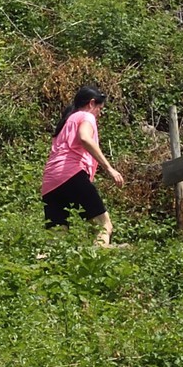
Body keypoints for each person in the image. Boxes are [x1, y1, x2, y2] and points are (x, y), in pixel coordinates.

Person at [42, 85, 124, 246]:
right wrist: (109, 168)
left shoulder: (66, 121)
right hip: (72, 175)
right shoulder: (86, 116)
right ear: (91, 103)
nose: (100, 113)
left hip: (50, 183)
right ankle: (97, 264)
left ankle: (45, 268)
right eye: (100, 108)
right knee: (104, 226)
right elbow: (85, 138)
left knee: (57, 237)